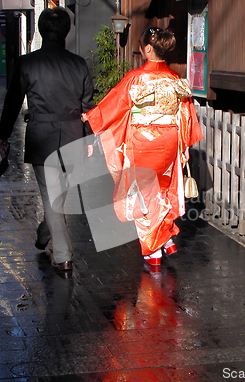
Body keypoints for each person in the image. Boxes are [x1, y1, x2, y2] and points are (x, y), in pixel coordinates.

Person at [82, 27, 203, 267]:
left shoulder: (136, 78)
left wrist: (90, 117)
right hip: (169, 141)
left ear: (147, 48)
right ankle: (166, 237)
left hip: (143, 143)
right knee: (163, 188)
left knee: (142, 192)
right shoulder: (176, 80)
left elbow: (114, 105)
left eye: (140, 46)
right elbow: (186, 115)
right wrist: (183, 145)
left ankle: (153, 250)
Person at [0, 7, 94, 272]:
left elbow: (13, 101)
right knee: (58, 196)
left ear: (41, 30)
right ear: (67, 31)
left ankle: (63, 256)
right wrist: (89, 142)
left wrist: (2, 136)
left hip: (42, 136)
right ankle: (44, 234)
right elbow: (88, 108)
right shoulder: (79, 64)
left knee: (52, 197)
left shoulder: (28, 63)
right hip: (73, 135)